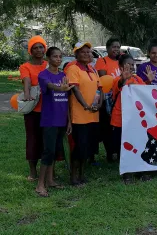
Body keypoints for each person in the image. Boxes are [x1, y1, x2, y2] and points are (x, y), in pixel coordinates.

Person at [35, 47, 73, 196]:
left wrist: (69, 121)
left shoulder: (64, 75)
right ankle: (40, 185)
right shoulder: (43, 75)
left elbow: (67, 100)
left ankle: (50, 181)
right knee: (48, 151)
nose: (58, 59)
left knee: (55, 151)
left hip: (61, 120)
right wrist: (59, 87)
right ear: (48, 58)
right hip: (49, 120)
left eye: (60, 57)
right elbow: (49, 86)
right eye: (55, 57)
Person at [111, 54, 154, 183]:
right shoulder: (117, 80)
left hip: (136, 119)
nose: (130, 67)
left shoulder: (138, 79)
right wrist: (123, 80)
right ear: (120, 67)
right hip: (120, 119)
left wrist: (149, 82)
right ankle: (127, 173)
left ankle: (141, 170)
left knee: (139, 143)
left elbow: (145, 94)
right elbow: (119, 87)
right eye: (127, 65)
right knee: (124, 146)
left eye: (132, 65)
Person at [66, 42, 103, 185]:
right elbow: (74, 90)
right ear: (76, 54)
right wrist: (85, 105)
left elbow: (100, 89)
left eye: (88, 52)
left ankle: (82, 175)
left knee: (87, 147)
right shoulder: (73, 69)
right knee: (79, 146)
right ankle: (73, 177)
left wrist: (99, 105)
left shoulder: (92, 70)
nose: (86, 54)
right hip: (79, 116)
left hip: (93, 115)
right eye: (83, 52)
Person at [19, 35, 48, 181]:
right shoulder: (25, 66)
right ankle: (32, 171)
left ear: (45, 49)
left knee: (46, 140)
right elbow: (27, 80)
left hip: (48, 109)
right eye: (35, 48)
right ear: (30, 50)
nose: (38, 50)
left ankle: (48, 171)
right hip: (33, 110)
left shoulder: (48, 65)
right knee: (32, 139)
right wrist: (27, 93)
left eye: (41, 47)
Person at [94, 37, 121, 163]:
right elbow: (104, 77)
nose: (116, 49)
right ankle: (110, 153)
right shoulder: (102, 61)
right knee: (107, 127)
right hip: (107, 99)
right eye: (113, 47)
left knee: (118, 127)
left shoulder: (121, 61)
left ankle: (118, 151)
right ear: (108, 48)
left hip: (120, 98)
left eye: (118, 47)